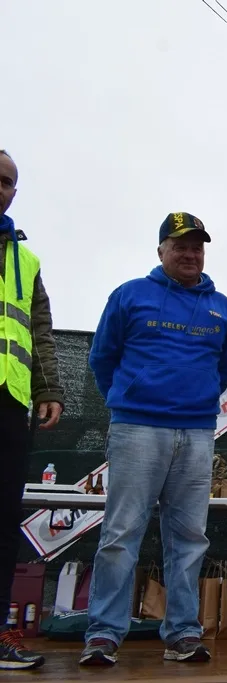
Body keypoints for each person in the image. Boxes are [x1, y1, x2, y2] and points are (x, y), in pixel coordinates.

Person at [81, 212, 227, 666]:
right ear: (161, 251)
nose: (190, 254)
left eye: (197, 246)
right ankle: (104, 634)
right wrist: (128, 400)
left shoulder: (222, 306)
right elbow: (101, 358)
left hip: (198, 431)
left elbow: (223, 369)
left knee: (190, 536)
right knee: (121, 533)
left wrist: (195, 401)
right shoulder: (130, 295)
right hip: (136, 428)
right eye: (180, 246)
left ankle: (183, 633)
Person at [0, 150, 64, 671]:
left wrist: (49, 388)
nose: (1, 188)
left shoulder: (27, 260)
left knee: (3, 521)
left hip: (9, 399)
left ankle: (0, 635)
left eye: (7, 183)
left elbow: (38, 331)